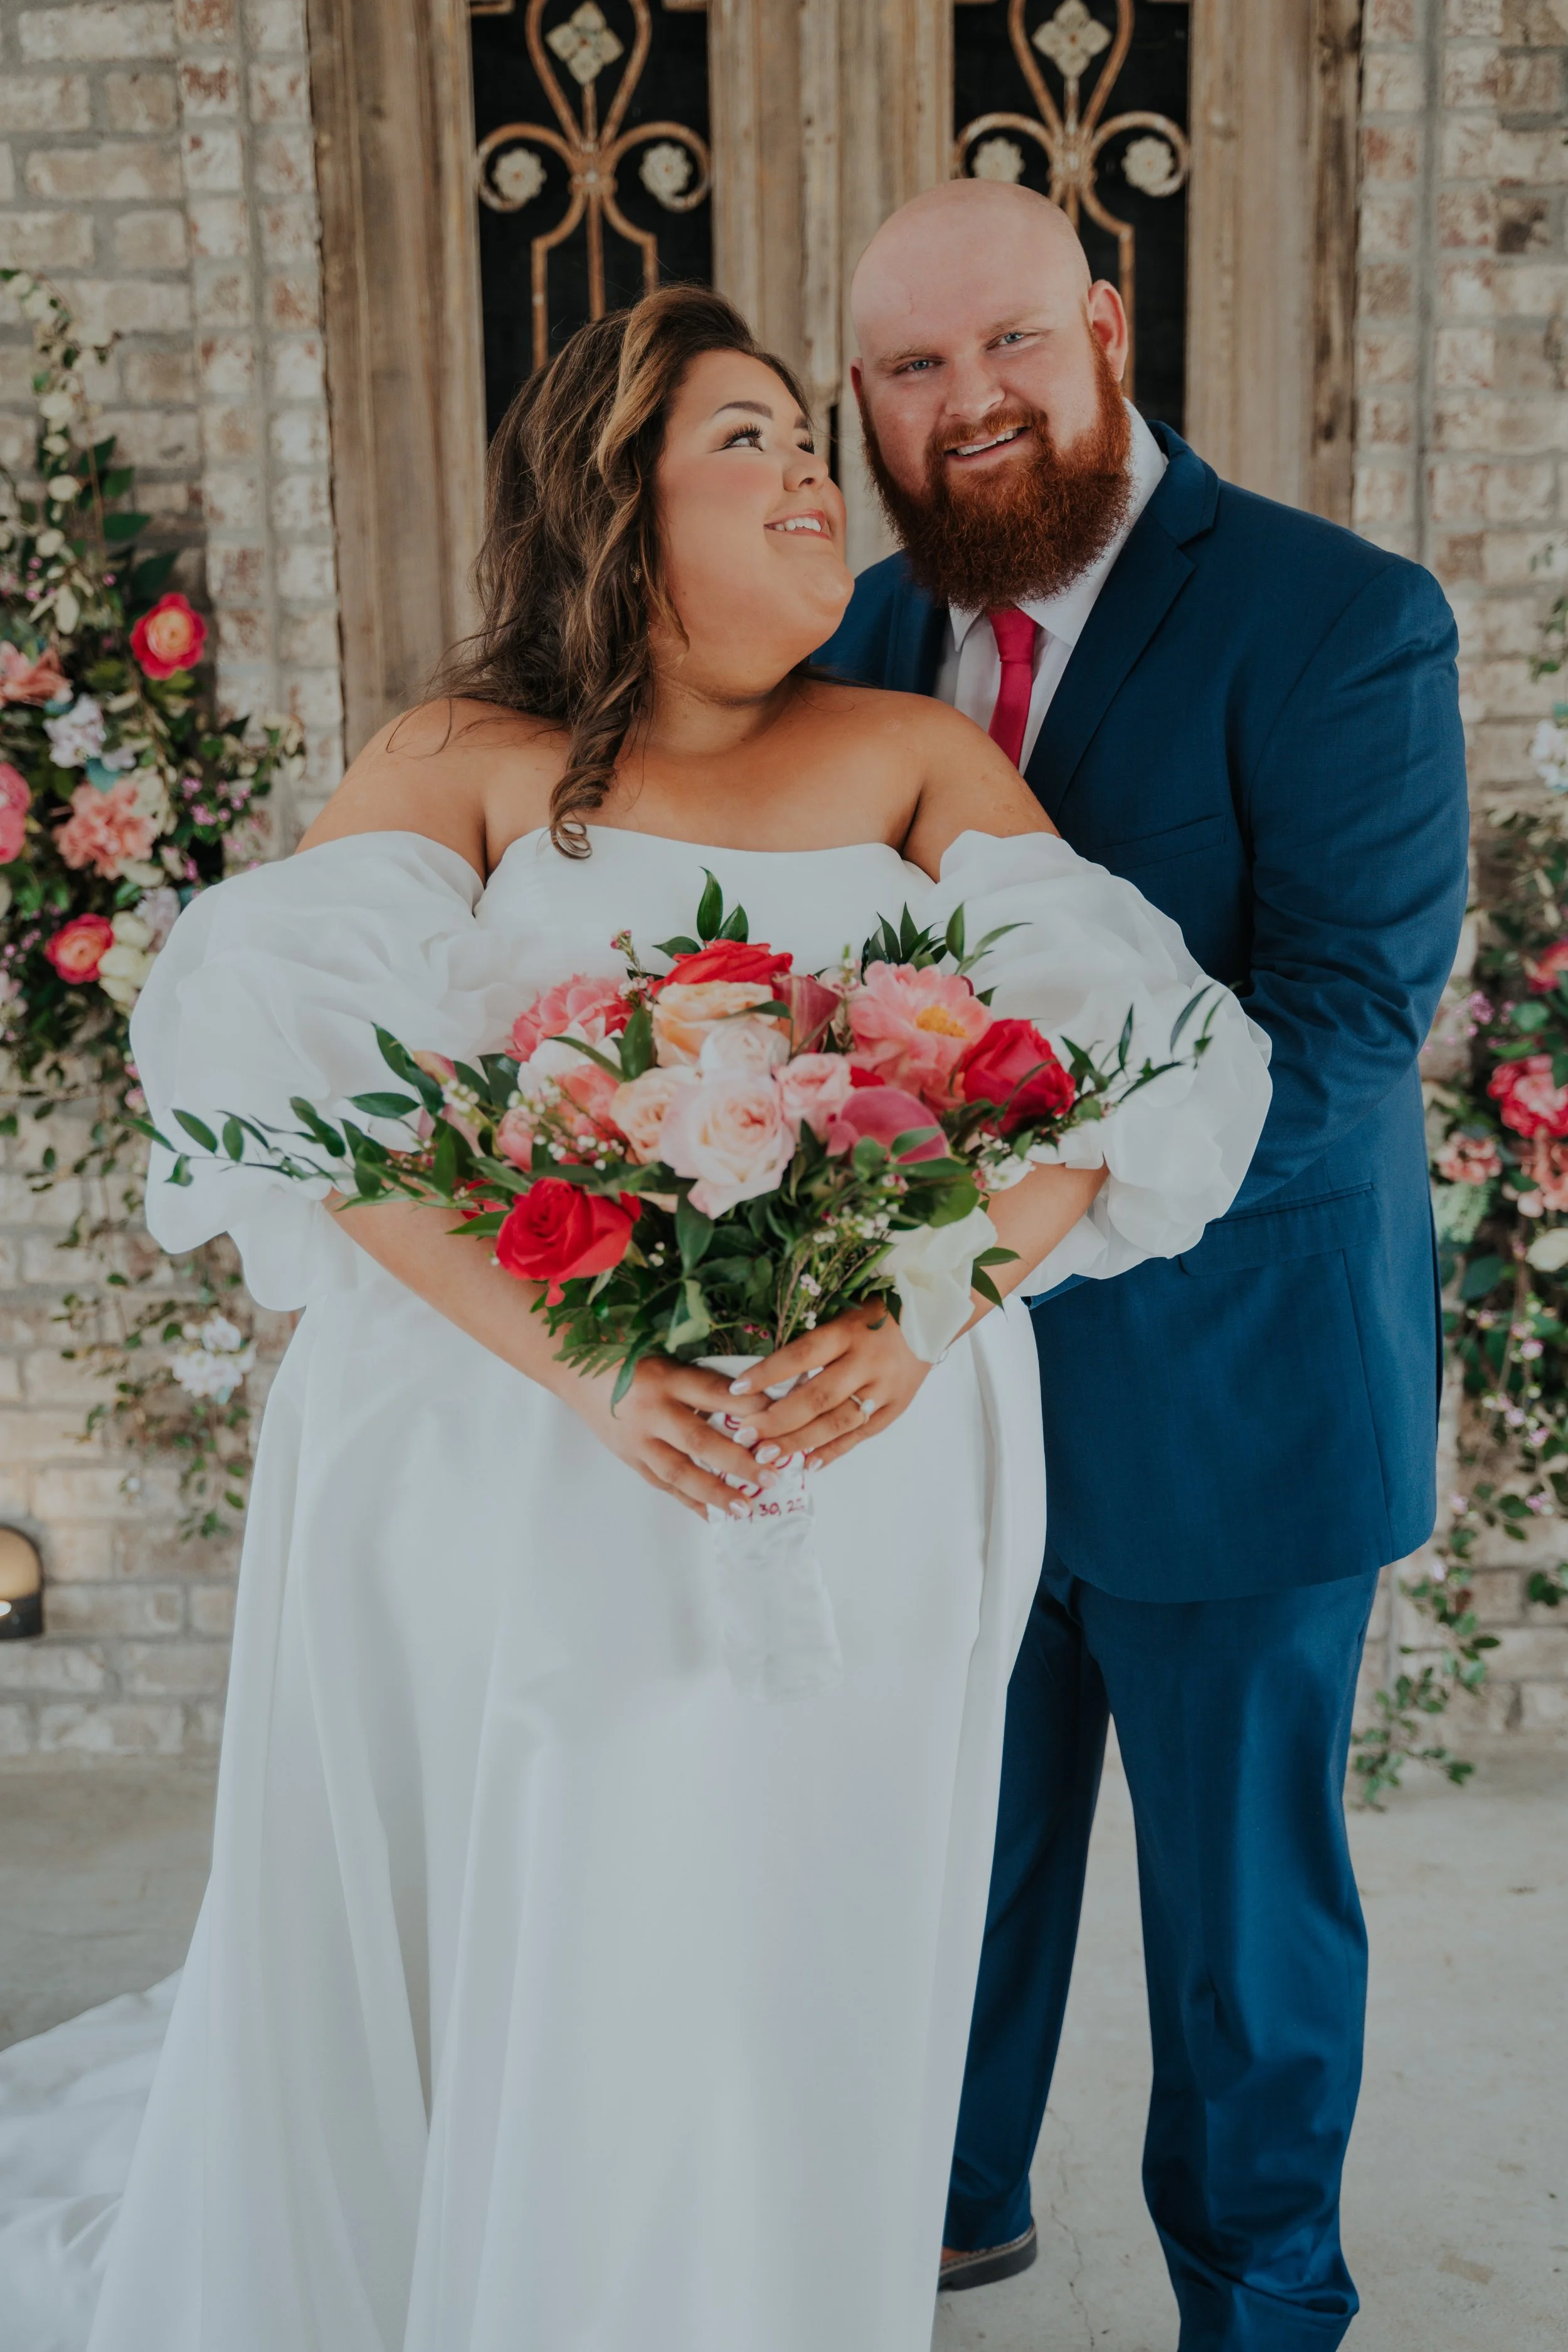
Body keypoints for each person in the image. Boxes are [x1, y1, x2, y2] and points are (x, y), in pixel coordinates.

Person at [0, 287, 1268, 2352]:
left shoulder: (909, 753)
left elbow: (1155, 1062)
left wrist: (940, 1296)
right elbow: (275, 1064)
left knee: (790, 1934)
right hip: (513, 1448)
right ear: (617, 506)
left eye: (801, 440)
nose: (809, 481)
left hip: (860, 1453)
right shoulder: (467, 755)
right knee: (558, 1900)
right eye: (747, 442)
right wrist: (585, 1356)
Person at [818, 179, 1470, 2347]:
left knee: (1238, 1926)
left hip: (1245, 1395)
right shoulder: (851, 642)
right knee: (953, 1859)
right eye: (910, 369)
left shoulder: (1336, 616)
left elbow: (1347, 1034)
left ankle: (1264, 2299)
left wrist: (986, 1251)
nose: (965, 402)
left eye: (1002, 342)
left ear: (1104, 325)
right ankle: (946, 2200)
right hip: (948, 1420)